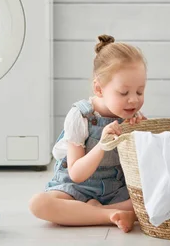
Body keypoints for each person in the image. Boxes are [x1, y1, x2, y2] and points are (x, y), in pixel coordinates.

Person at [29, 35, 147, 233]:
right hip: (77, 188)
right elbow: (76, 174)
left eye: (140, 92)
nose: (133, 100)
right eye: (124, 93)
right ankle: (108, 215)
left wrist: (141, 135)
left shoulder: (131, 115)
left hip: (116, 189)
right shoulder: (81, 116)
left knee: (160, 199)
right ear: (99, 88)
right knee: (39, 204)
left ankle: (93, 212)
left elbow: (138, 169)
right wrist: (102, 144)